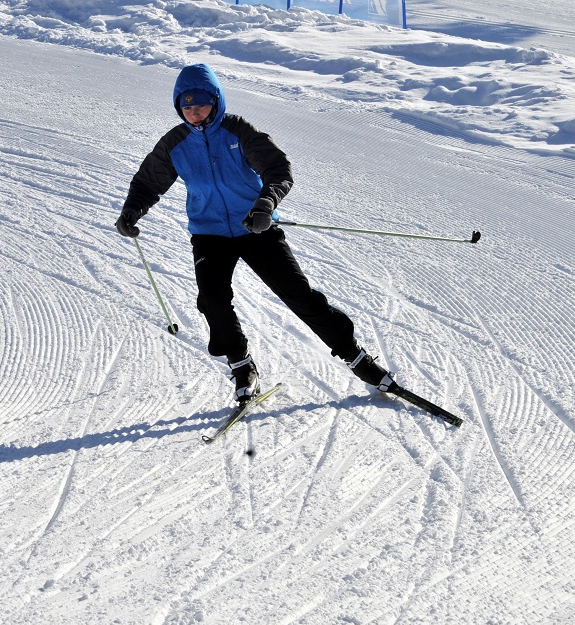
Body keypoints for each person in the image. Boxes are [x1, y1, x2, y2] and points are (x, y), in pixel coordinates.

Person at [116, 63, 394, 403]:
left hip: (256, 226)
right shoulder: (176, 143)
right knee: (213, 300)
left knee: (298, 294)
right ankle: (241, 364)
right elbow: (148, 182)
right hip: (210, 233)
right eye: (186, 106)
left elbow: (278, 169)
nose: (194, 112)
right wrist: (132, 210)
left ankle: (357, 358)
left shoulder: (237, 131)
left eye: (201, 104)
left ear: (216, 102)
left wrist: (265, 206)